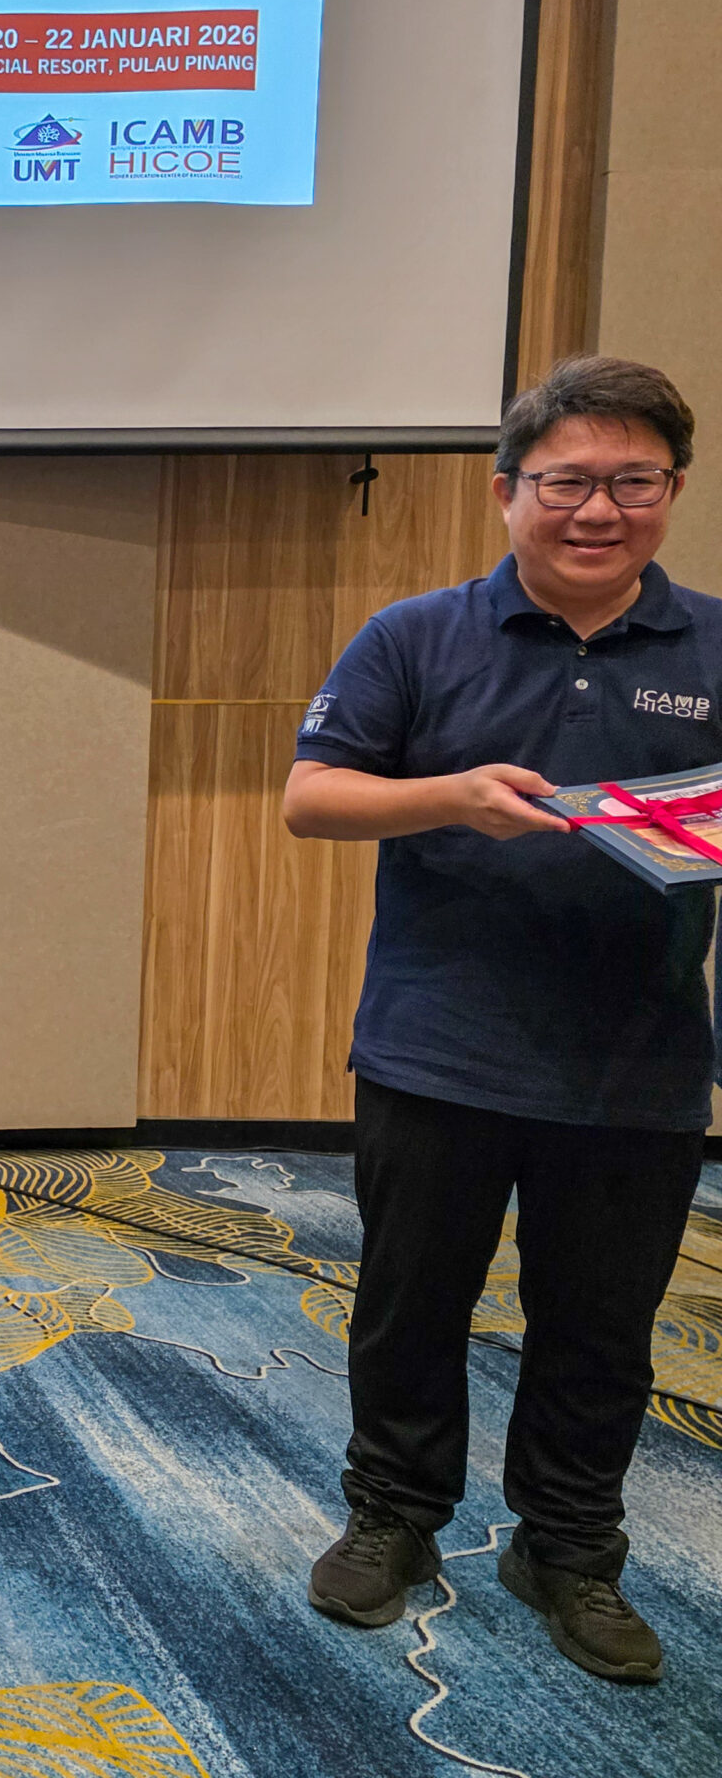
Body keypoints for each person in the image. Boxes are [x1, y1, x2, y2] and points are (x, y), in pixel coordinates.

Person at [286, 355, 716, 1685]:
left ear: (673, 491)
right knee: (408, 1306)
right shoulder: (415, 635)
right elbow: (312, 796)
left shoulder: (713, 644)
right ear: (506, 492)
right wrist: (451, 798)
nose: (598, 510)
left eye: (632, 482)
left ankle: (569, 1549)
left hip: (636, 1062)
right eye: (567, 482)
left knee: (601, 1328)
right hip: (437, 1047)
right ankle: (394, 1517)